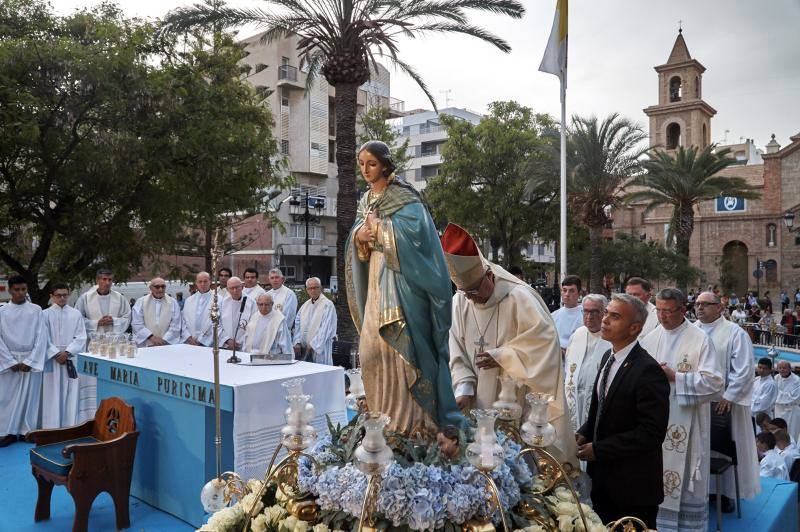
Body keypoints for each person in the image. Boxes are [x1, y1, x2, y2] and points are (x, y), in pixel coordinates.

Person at [344, 140, 464, 435]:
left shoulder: (405, 198)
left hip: (403, 285)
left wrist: (381, 231)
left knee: (399, 352)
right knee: (371, 349)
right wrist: (360, 236)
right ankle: (380, 418)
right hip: (375, 281)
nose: (365, 170)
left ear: (385, 164)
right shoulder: (366, 201)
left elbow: (420, 237)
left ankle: (411, 425)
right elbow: (357, 240)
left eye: (371, 164)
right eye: (361, 164)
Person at [443, 223, 573, 462]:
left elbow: (544, 345)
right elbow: (456, 351)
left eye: (473, 291)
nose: (471, 298)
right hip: (476, 405)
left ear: (489, 276)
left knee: (517, 465)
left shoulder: (520, 298)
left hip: (515, 403)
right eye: (465, 292)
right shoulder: (460, 302)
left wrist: (503, 356)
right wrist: (464, 386)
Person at [576, 293, 670, 529]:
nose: (605, 319)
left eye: (615, 316)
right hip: (603, 480)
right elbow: (601, 409)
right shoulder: (609, 356)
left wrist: (599, 449)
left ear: (634, 328)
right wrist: (584, 433)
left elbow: (651, 433)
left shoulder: (648, 371)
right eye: (606, 312)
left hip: (632, 488)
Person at [640, 287, 723, 532]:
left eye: (668, 311)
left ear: (682, 310)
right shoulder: (650, 338)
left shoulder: (699, 339)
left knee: (683, 483)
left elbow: (715, 384)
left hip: (687, 425)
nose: (663, 316)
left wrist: (675, 376)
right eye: (659, 311)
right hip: (654, 424)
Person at [694, 291, 760, 506]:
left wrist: (730, 396)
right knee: (700, 448)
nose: (700, 308)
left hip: (725, 404)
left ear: (719, 307)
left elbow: (743, 369)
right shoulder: (692, 331)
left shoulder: (734, 333)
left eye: (706, 304)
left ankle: (726, 494)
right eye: (697, 304)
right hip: (697, 402)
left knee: (725, 449)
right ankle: (701, 492)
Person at [0, 276, 47, 447]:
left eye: (24, 289)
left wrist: (32, 360)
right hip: (9, 359)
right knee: (7, 397)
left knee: (30, 397)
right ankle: (7, 432)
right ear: (10, 290)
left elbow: (42, 337)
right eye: (17, 290)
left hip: (29, 359)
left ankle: (27, 430)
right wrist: (9, 361)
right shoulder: (2, 311)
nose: (21, 293)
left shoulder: (36, 310)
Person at [564, 294, 612, 433]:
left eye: (594, 312)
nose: (589, 316)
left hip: (597, 402)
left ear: (604, 313)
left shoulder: (611, 337)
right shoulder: (577, 335)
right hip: (573, 399)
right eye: (586, 311)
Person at [42, 283, 87, 429]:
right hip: (52, 359)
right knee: (51, 393)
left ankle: (70, 426)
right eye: (58, 295)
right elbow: (42, 338)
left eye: (65, 295)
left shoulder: (75, 314)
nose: (62, 298)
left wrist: (67, 352)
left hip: (70, 358)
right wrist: (55, 353)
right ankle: (51, 427)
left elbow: (81, 336)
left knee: (71, 392)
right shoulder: (44, 314)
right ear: (51, 296)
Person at [293, 277, 336, 365]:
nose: (313, 290)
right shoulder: (305, 305)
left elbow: (326, 328)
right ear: (307, 290)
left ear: (320, 288)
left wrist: (313, 345)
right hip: (304, 349)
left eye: (315, 287)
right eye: (310, 288)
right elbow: (297, 324)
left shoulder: (327, 305)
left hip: (321, 349)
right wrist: (297, 342)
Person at [75, 269, 131, 335]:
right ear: (97, 280)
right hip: (93, 340)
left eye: (110, 280)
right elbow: (77, 318)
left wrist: (113, 321)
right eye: (104, 279)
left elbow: (127, 317)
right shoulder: (85, 298)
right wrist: (96, 323)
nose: (107, 283)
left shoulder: (120, 298)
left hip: (113, 339)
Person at [131, 277, 183, 347]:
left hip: (166, 344)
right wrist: (151, 337)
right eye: (157, 287)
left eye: (163, 286)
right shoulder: (141, 302)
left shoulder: (173, 302)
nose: (160, 289)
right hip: (147, 343)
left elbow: (176, 324)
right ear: (151, 288)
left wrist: (164, 340)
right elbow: (137, 323)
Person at [219, 276, 257, 350]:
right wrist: (227, 340)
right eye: (231, 288)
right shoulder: (222, 303)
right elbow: (217, 324)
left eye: (237, 287)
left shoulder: (251, 303)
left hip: (243, 345)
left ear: (242, 287)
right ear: (227, 289)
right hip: (226, 345)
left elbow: (253, 325)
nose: (235, 290)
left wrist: (240, 342)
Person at [182, 272, 215, 347]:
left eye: (205, 281)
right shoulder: (189, 300)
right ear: (196, 283)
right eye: (200, 282)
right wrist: (188, 337)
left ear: (210, 282)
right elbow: (183, 321)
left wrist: (202, 340)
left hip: (209, 343)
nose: (203, 284)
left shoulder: (218, 299)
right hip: (190, 341)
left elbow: (217, 323)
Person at [551, 275, 583, 351]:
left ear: (579, 293)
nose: (567, 294)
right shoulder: (553, 315)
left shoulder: (586, 315)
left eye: (571, 291)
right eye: (564, 290)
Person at [773, 360, 800, 439]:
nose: (782, 370)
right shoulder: (775, 378)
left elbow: (792, 397)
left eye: (784, 368)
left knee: (792, 433)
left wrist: (779, 394)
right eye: (780, 368)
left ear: (790, 369)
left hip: (792, 411)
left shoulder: (797, 380)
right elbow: (772, 394)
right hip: (778, 410)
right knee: (778, 432)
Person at [267, 268, 298, 332]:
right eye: (272, 278)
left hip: (282, 332)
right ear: (269, 280)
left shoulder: (289, 294)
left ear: (282, 279)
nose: (274, 280)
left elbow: (289, 316)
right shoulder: (267, 294)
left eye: (277, 277)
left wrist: (279, 330)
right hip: (268, 331)